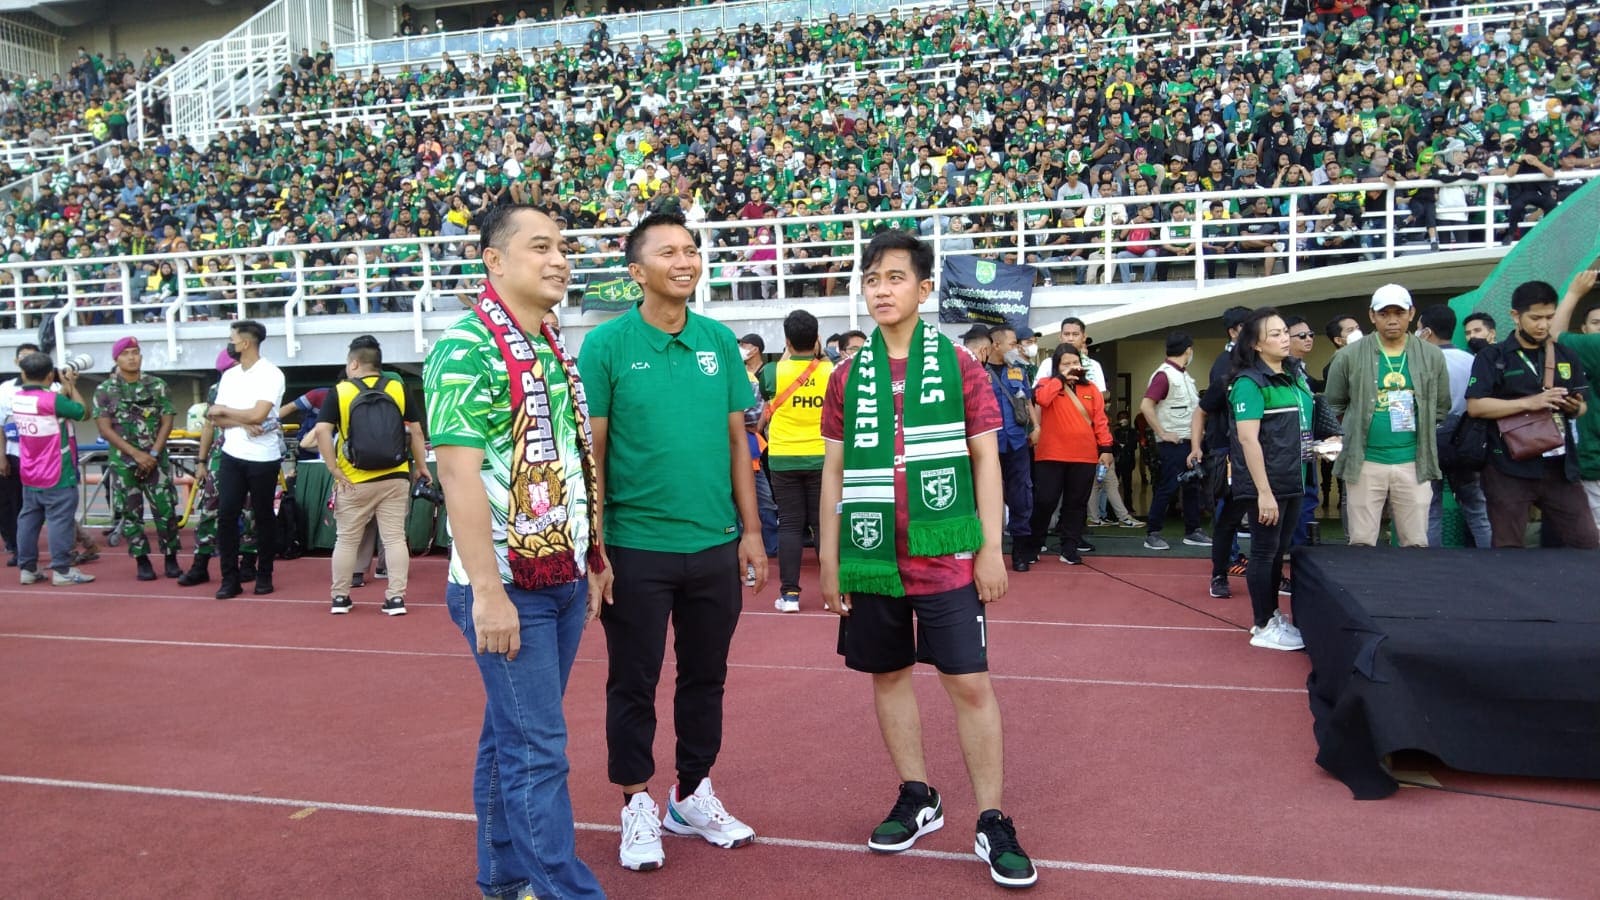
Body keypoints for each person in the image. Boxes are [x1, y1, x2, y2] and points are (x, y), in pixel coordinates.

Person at [818, 230, 1035, 889]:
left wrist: (991, 549)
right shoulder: (848, 374)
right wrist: (830, 561)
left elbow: (985, 457)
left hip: (945, 554)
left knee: (968, 683)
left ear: (923, 287)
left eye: (893, 277)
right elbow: (833, 472)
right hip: (870, 553)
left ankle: (993, 818)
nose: (880, 289)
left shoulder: (959, 366)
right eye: (871, 279)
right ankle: (918, 794)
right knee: (887, 676)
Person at [425, 204, 607, 900]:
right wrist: (489, 592)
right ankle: (564, 893)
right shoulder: (466, 348)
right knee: (538, 751)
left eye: (563, 247)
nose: (559, 259)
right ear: (494, 261)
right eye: (540, 247)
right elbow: (459, 475)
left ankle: (503, 880)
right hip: (506, 584)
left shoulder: (552, 349)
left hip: (559, 572)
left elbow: (569, 463)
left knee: (512, 740)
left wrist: (593, 558)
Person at [578, 211, 765, 872]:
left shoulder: (718, 341)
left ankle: (691, 794)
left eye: (691, 250)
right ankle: (636, 802)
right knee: (633, 680)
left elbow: (738, 442)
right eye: (668, 253)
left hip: (714, 544)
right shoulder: (605, 347)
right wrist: (596, 549)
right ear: (637, 272)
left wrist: (750, 533)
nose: (685, 261)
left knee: (705, 677)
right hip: (636, 546)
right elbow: (592, 453)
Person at [1465, 280, 1597, 549]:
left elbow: (1582, 405)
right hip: (1508, 467)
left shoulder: (1565, 353)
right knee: (1508, 547)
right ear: (1515, 315)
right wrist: (1531, 403)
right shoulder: (1493, 356)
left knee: (1587, 544)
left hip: (1560, 467)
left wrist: (1574, 407)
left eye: (1549, 317)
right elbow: (1476, 406)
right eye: (1535, 318)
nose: (1543, 325)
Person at [1325, 285, 1449, 547]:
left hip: (1414, 461)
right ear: (1372, 315)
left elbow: (1440, 406)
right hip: (1365, 461)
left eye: (1399, 312)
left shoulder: (1432, 356)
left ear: (1411, 313)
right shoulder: (1348, 356)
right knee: (1361, 541)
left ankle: (1410, 589)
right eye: (1384, 313)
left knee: (1415, 542)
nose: (1392, 320)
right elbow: (1333, 406)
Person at [313, 335, 429, 616]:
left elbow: (321, 431)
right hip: (395, 475)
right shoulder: (398, 388)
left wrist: (334, 469)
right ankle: (396, 599)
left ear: (353, 363)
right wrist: (421, 466)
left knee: (347, 539)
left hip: (354, 477)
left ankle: (340, 597)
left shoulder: (341, 391)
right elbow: (415, 430)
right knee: (394, 539)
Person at [1222, 308, 1312, 651]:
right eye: (1274, 333)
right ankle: (1262, 623)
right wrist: (1264, 492)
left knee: (1277, 553)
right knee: (1263, 551)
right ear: (1257, 344)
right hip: (1267, 484)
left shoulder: (1292, 376)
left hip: (1293, 479)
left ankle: (1273, 615)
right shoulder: (1249, 382)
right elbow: (1248, 439)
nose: (1285, 337)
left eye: (1284, 331)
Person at [206, 319, 286, 598]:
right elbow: (216, 417)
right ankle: (229, 579)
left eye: (232, 338)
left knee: (263, 516)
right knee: (226, 515)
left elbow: (258, 415)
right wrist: (240, 417)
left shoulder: (271, 374)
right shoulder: (230, 376)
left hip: (263, 457)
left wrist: (229, 412)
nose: (230, 343)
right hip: (232, 455)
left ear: (245, 342)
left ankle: (265, 574)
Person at [760, 309, 833, 613]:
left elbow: (763, 402)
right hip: (823, 457)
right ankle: (833, 594)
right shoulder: (833, 372)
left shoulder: (771, 373)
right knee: (823, 524)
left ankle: (790, 595)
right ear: (817, 339)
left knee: (789, 524)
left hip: (784, 457)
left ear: (787, 342)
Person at [93, 337, 183, 581]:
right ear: (116, 359)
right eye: (126, 353)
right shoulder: (105, 390)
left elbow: (167, 420)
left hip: (156, 459)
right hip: (124, 461)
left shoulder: (157, 385)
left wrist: (153, 453)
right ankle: (142, 560)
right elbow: (105, 429)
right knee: (131, 512)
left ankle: (171, 558)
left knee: (165, 510)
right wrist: (136, 454)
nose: (132, 357)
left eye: (135, 352)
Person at [1023, 343, 1114, 567]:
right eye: (1066, 363)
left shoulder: (1091, 389)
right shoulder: (1047, 384)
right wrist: (1061, 379)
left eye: (1075, 362)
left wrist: (1106, 448)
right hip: (1050, 455)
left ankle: (1069, 548)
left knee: (1076, 504)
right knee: (1044, 502)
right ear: (1057, 366)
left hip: (1084, 456)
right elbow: (1042, 400)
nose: (1072, 367)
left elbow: (1100, 421)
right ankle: (1034, 546)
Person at [12, 351, 94, 585]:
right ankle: (62, 570)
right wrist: (70, 385)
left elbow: (49, 404)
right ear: (50, 375)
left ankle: (27, 568)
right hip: (57, 472)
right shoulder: (53, 400)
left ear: (23, 373)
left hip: (30, 471)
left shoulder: (18, 398)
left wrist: (61, 387)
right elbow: (82, 412)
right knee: (60, 521)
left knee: (28, 520)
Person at [178, 348, 257, 586]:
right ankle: (200, 563)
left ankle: (248, 561)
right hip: (221, 455)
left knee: (250, 509)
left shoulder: (259, 385)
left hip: (253, 451)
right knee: (210, 508)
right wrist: (201, 462)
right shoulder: (217, 390)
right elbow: (209, 427)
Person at [1416, 305, 1492, 548]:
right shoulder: (1472, 361)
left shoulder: (1421, 363)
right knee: (1476, 506)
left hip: (1429, 440)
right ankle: (1494, 557)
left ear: (1426, 332)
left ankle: (1433, 566)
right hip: (1466, 442)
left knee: (1430, 507)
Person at [1139, 332, 1207, 550]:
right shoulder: (1164, 375)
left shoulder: (1183, 375)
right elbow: (1146, 406)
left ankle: (1192, 530)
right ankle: (1153, 532)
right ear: (1188, 349)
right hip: (1172, 442)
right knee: (1169, 485)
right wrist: (1163, 432)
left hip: (1188, 441)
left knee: (1191, 485)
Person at [982, 324, 1036, 572]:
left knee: (1021, 495)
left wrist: (1036, 427)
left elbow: (1027, 400)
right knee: (983, 497)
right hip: (987, 446)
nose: (1017, 347)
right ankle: (983, 549)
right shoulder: (977, 371)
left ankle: (1020, 551)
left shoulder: (1018, 371)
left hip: (1017, 443)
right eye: (1013, 343)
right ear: (996, 345)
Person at [1552, 268, 1600, 531]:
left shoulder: (1593, 347)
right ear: (1583, 328)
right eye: (1596, 323)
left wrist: (1573, 293)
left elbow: (1555, 335)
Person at [0, 342, 41, 565]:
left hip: (42, 458)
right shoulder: (5, 389)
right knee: (12, 505)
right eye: (24, 358)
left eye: (33, 358)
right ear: (16, 361)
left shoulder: (50, 388)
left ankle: (68, 548)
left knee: (45, 505)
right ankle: (18, 549)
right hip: (13, 455)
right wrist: (2, 457)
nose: (28, 362)